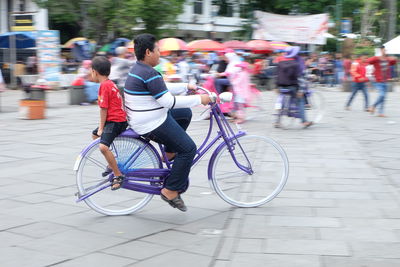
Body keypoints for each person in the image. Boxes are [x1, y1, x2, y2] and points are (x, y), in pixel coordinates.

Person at [124, 33, 211, 212]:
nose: (160, 54)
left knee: (184, 113)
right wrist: (200, 99)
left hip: (146, 117)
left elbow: (161, 88)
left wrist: (186, 86)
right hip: (151, 122)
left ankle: (170, 151)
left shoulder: (139, 69)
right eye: (157, 50)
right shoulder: (148, 73)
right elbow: (168, 102)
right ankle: (170, 190)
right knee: (188, 149)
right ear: (148, 52)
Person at [90, 56, 128, 190]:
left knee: (103, 147)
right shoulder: (110, 83)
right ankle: (112, 162)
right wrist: (99, 130)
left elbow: (103, 109)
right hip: (116, 120)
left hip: (116, 122)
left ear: (95, 72)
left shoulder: (104, 86)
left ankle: (118, 175)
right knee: (95, 135)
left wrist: (101, 127)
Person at [275, 46, 313, 128]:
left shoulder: (280, 63)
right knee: (300, 101)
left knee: (281, 102)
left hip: (281, 87)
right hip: (292, 87)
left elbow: (277, 75)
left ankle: (277, 121)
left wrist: (276, 87)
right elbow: (300, 78)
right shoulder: (296, 64)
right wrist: (301, 90)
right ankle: (304, 121)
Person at [367, 46, 397, 117]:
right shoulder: (376, 59)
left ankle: (381, 112)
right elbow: (368, 61)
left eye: (385, 50)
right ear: (380, 51)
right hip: (378, 81)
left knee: (384, 97)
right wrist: (377, 57)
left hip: (385, 81)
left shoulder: (387, 59)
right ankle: (373, 106)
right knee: (382, 95)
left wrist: (394, 58)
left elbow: (394, 62)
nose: (385, 51)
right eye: (383, 50)